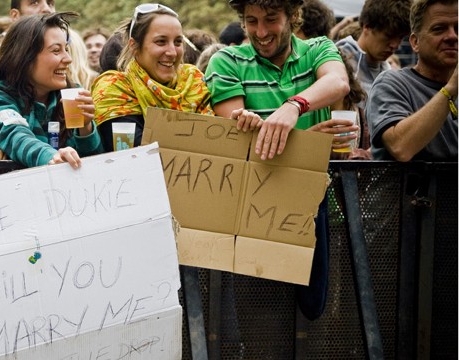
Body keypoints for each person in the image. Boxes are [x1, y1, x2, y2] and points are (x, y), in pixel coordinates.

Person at [205, 0, 350, 321]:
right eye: (251, 21)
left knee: (317, 314)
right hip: (256, 213)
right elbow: (244, 145)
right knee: (260, 319)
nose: (261, 31)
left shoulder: (317, 49)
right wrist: (308, 138)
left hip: (315, 206)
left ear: (292, 16)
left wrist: (293, 106)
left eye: (271, 20)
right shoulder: (227, 60)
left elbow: (338, 82)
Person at [0, 12, 102, 168]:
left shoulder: (71, 95)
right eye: (56, 51)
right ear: (24, 57)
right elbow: (16, 137)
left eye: (66, 49)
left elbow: (96, 165)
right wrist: (52, 157)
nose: (68, 59)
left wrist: (85, 129)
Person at [92, 4, 214, 152]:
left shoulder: (194, 80)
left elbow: (216, 144)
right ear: (134, 46)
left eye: (177, 42)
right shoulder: (113, 88)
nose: (172, 52)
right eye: (161, 42)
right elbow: (136, 155)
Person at [367, 0, 457, 162]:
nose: (452, 36)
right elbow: (400, 147)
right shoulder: (392, 84)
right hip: (404, 188)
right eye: (439, 29)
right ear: (415, 42)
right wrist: (450, 89)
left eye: (458, 29)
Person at [0, 0, 54, 125]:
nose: (46, 9)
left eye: (50, 3)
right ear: (15, 16)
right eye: (34, 3)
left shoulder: (59, 59)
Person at [336, 0, 411, 99]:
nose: (395, 45)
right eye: (389, 36)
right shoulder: (337, 62)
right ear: (367, 27)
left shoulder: (390, 73)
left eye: (401, 37)